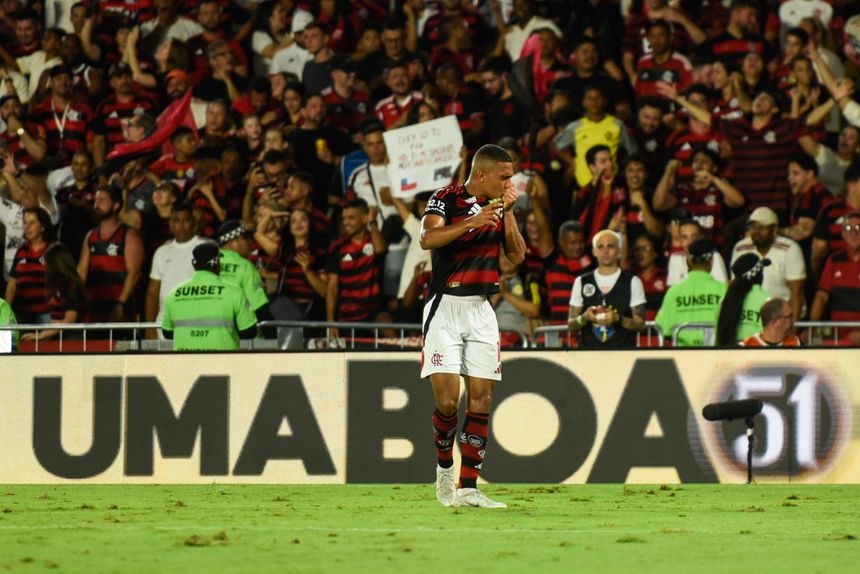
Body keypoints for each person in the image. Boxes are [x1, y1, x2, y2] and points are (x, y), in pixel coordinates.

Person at [419, 144, 525, 509]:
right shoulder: (445, 198)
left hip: (481, 309)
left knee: (481, 399)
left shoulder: (500, 207)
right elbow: (428, 238)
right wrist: (472, 222)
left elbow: (518, 255)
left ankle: (468, 488)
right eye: (505, 176)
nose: (510, 183)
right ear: (482, 174)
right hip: (444, 306)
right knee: (448, 402)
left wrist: (508, 213)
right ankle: (444, 469)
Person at [161, 243, 257, 351]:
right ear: (216, 263)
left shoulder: (173, 294)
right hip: (223, 359)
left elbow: (167, 333)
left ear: (194, 264)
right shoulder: (235, 293)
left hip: (185, 360)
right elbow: (249, 332)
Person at [568, 229, 646, 348]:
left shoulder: (633, 282)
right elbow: (571, 325)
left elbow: (640, 324)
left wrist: (618, 319)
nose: (605, 251)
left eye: (610, 246)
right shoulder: (581, 282)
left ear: (619, 250)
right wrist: (585, 317)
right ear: (594, 251)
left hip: (622, 353)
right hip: (589, 353)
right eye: (600, 247)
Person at [731, 207, 806, 319]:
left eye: (761, 227)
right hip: (749, 316)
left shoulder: (790, 249)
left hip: (782, 316)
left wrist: (791, 325)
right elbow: (735, 287)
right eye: (753, 227)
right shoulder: (740, 248)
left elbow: (797, 293)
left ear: (774, 229)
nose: (756, 232)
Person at [145, 205, 207, 338]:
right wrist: (150, 327)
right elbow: (152, 293)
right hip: (165, 325)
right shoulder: (161, 252)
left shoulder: (205, 247)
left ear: (193, 223)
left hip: (197, 325)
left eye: (186, 220)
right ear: (171, 224)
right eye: (177, 221)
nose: (181, 225)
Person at [655, 237, 727, 347]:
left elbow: (662, 327)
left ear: (688, 261)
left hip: (682, 354)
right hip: (715, 354)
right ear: (711, 260)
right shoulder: (724, 290)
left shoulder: (673, 292)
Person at [810, 211, 860, 346]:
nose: (854, 233)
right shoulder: (834, 260)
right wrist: (812, 327)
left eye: (858, 228)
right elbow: (821, 297)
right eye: (848, 228)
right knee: (806, 337)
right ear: (842, 233)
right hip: (837, 334)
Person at [19, 244, 86, 343]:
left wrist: (42, 335)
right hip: (57, 337)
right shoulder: (55, 286)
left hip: (72, 340)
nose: (44, 267)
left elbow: (70, 319)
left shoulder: (70, 285)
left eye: (46, 263)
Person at [715, 253, 772, 347]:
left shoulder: (724, 301)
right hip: (759, 354)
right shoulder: (768, 301)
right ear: (759, 275)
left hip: (727, 353)